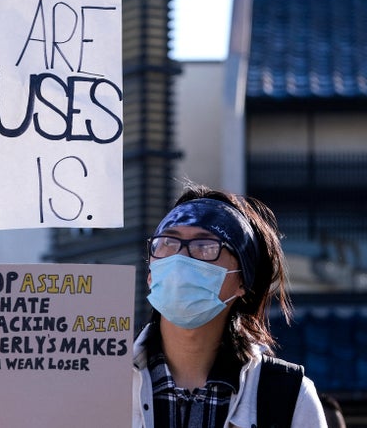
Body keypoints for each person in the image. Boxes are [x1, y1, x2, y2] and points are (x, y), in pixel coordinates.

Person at [132, 182, 327, 427]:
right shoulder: (102, 380)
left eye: (205, 247)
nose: (180, 259)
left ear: (242, 281)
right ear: (151, 272)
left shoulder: (287, 396)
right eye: (167, 244)